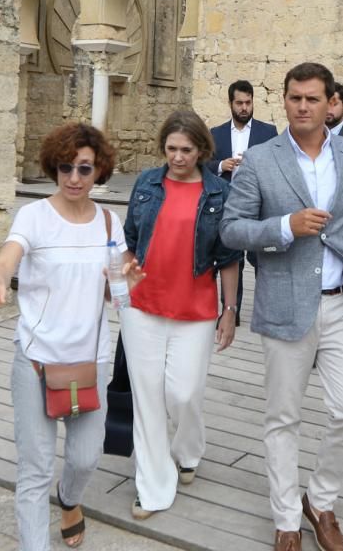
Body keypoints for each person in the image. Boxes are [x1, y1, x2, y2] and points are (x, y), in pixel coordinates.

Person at [221, 62, 343, 551]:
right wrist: (283, 227)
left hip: (342, 303)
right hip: (286, 303)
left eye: (314, 99)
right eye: (295, 98)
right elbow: (231, 228)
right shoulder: (260, 160)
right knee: (283, 417)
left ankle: (321, 500)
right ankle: (288, 516)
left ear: (331, 102)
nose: (304, 107)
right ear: (285, 100)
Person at [0, 122, 143, 550]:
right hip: (35, 358)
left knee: (86, 458)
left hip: (89, 360)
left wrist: (130, 280)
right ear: (54, 166)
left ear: (99, 171)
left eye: (84, 169)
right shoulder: (33, 216)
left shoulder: (109, 223)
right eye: (66, 167)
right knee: (34, 469)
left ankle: (69, 499)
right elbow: (10, 254)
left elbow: (117, 292)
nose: (73, 178)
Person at [120, 110, 243, 519]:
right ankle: (152, 486)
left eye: (186, 150)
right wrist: (125, 272)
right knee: (148, 398)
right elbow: (131, 241)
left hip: (196, 309)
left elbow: (228, 257)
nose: (177, 157)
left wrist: (230, 309)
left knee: (184, 393)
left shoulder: (218, 193)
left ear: (202, 149)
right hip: (143, 306)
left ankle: (188, 449)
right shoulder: (146, 184)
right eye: (171, 149)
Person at [208, 79, 278, 323]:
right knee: (231, 257)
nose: (244, 108)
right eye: (239, 103)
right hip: (228, 205)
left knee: (262, 259)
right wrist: (220, 165)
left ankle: (267, 310)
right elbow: (203, 166)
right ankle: (231, 311)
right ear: (230, 104)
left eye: (248, 102)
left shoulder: (267, 132)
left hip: (259, 204)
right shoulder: (215, 134)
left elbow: (275, 166)